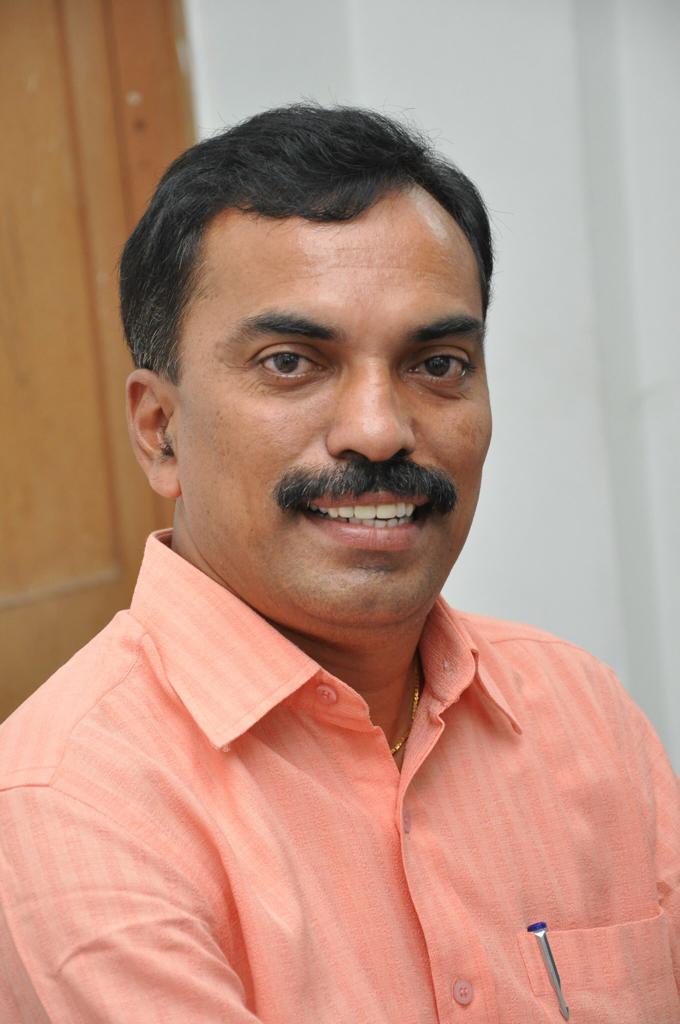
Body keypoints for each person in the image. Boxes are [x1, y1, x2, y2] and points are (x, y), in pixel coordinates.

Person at [0, 105, 677, 1023]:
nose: (379, 430)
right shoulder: (71, 804)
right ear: (160, 432)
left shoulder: (580, 713)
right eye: (291, 362)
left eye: (438, 363)